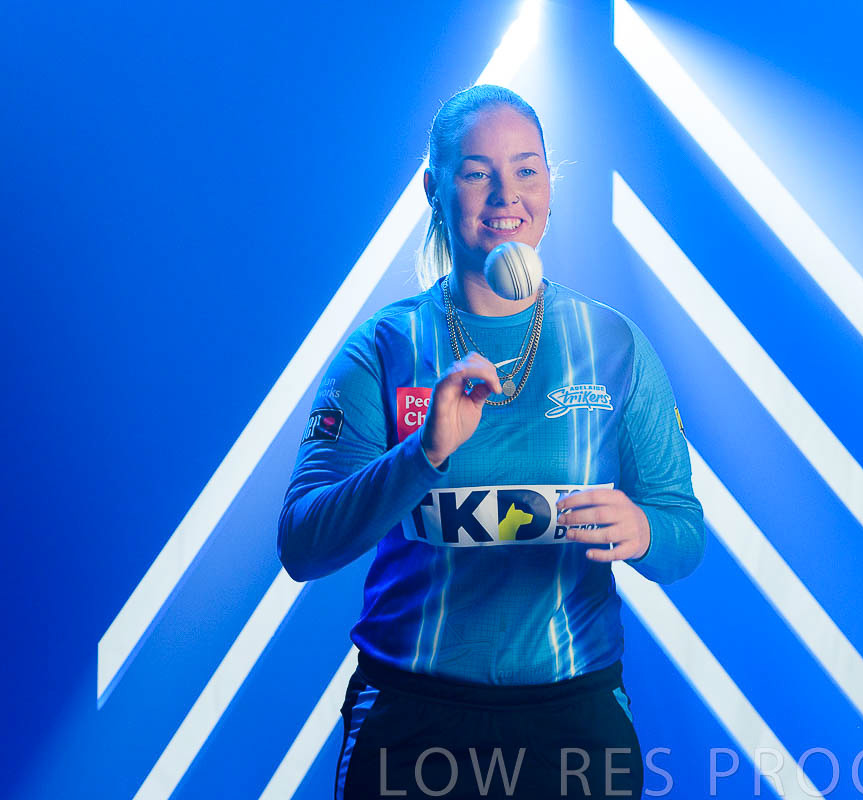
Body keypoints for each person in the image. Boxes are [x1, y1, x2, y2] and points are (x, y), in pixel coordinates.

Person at [277, 84, 705, 799]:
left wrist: (645, 530)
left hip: (573, 720)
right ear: (434, 189)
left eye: (527, 169)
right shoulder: (383, 347)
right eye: (477, 172)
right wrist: (423, 455)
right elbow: (302, 545)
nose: (507, 194)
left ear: (549, 186)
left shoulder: (613, 344)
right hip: (411, 717)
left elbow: (683, 534)